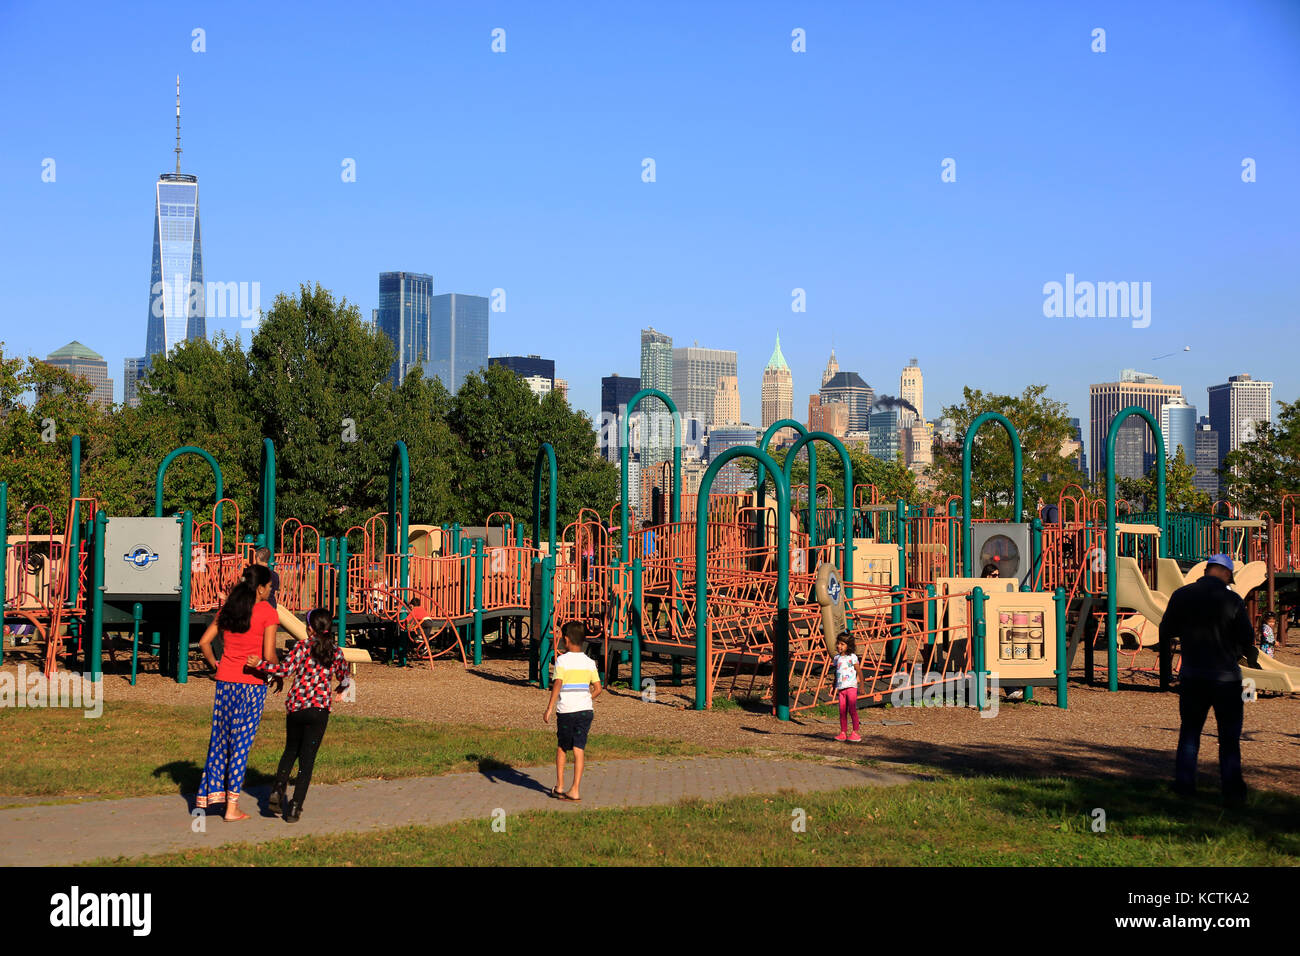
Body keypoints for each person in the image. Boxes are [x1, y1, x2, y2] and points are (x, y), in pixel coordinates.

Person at [1159, 554, 1258, 807]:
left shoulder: (1181, 595)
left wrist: (1166, 670)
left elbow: (1166, 630)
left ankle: (1184, 786)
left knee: (1190, 733)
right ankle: (1233, 792)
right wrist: (1246, 654)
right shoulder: (1232, 599)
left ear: (1206, 570)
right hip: (1226, 678)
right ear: (1226, 574)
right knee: (1228, 738)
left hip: (1193, 676)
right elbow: (1247, 638)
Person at [247, 608, 350, 822]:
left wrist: (260, 664)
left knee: (290, 751)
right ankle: (295, 807)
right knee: (307, 760)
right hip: (319, 710)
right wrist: (341, 689)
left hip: (297, 706)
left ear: (309, 628)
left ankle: (277, 788)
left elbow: (284, 670)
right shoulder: (336, 651)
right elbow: (344, 676)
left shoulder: (302, 647)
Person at [196, 564, 279, 820]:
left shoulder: (229, 609)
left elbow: (204, 642)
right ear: (262, 588)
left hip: (225, 683)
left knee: (220, 740)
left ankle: (212, 798)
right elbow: (268, 655)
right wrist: (277, 669)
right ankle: (232, 807)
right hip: (251, 685)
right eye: (270, 587)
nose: (271, 591)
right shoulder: (267, 612)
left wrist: (215, 664)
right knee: (241, 744)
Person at [542, 621, 602, 802]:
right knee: (579, 748)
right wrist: (586, 698)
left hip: (567, 710)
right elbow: (598, 688)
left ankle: (560, 786)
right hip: (585, 711)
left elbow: (558, 684)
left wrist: (549, 707)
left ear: (566, 640)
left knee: (562, 747)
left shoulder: (562, 661)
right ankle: (575, 789)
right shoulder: (590, 662)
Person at [831, 633, 861, 742]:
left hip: (851, 687)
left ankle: (855, 732)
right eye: (838, 643)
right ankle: (843, 732)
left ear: (848, 645)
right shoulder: (837, 658)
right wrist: (834, 685)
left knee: (852, 709)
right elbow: (836, 672)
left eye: (842, 644)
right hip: (841, 688)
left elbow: (859, 670)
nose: (839, 646)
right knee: (842, 711)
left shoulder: (852, 657)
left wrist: (861, 684)